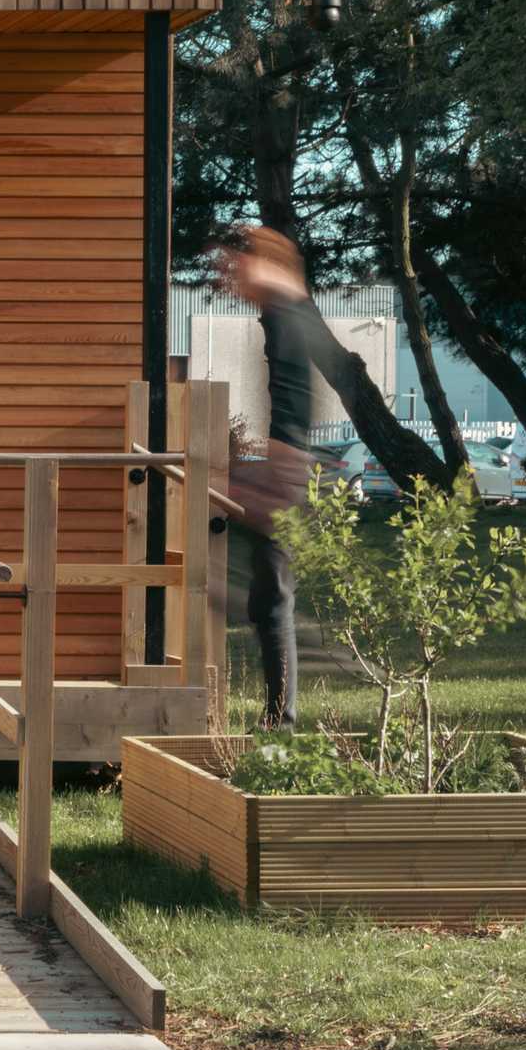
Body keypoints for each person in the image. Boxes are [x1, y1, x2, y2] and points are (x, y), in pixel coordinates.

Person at [217, 227, 324, 729]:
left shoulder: (286, 315)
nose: (230, 279)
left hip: (286, 471)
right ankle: (279, 715)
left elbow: (295, 403)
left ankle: (283, 721)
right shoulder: (285, 312)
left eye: (234, 268)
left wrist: (270, 482)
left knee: (272, 598)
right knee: (266, 597)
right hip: (283, 467)